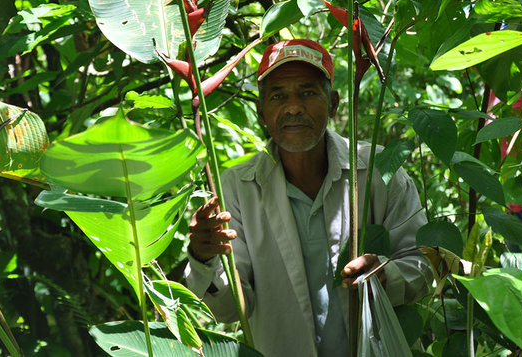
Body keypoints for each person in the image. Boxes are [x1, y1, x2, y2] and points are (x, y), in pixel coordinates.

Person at [184, 39, 432, 357]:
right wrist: (204, 258)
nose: (293, 107)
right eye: (278, 95)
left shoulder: (378, 170)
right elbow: (230, 310)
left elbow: (424, 262)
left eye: (308, 92)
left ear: (334, 103)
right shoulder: (237, 186)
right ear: (261, 112)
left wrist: (386, 275)